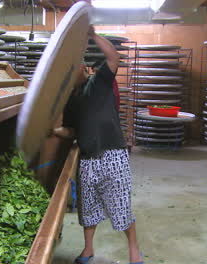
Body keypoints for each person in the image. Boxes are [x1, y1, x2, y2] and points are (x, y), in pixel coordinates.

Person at [53, 26, 143, 264]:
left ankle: (134, 252)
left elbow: (114, 57)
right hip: (87, 159)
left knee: (121, 207)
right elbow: (71, 130)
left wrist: (92, 35)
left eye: (80, 65)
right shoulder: (71, 100)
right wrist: (53, 131)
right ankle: (88, 250)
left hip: (112, 154)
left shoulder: (99, 82)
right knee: (88, 209)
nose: (80, 68)